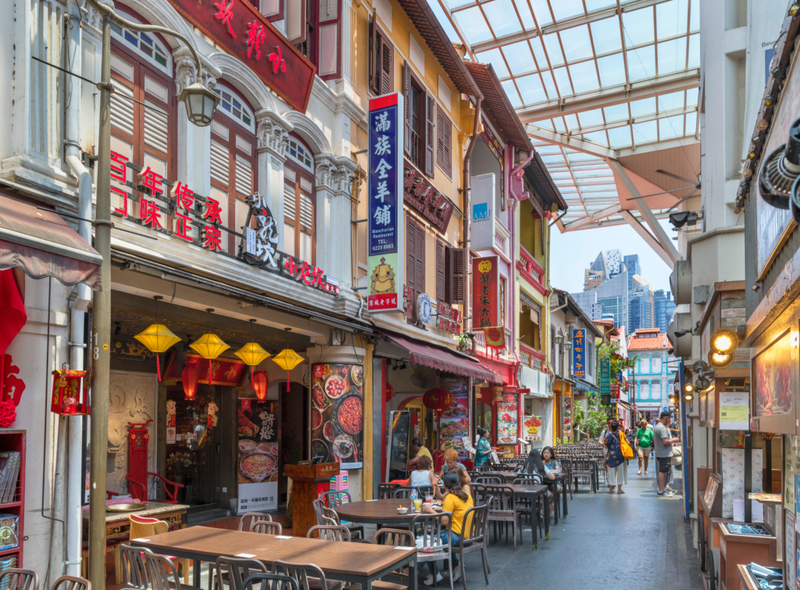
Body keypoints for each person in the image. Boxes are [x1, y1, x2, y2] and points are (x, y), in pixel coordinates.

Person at [421, 472, 473, 585]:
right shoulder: (466, 495)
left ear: (444, 486)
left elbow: (444, 521)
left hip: (456, 537)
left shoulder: (450, 497)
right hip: (468, 535)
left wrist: (431, 511)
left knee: (426, 540)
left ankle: (434, 574)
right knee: (432, 534)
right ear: (459, 483)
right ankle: (456, 565)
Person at [655, 411, 680, 496]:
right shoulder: (662, 428)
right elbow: (665, 442)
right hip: (664, 453)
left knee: (663, 470)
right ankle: (661, 490)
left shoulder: (658, 426)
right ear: (666, 418)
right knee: (662, 471)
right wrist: (674, 440)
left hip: (661, 452)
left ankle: (662, 489)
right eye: (669, 419)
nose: (670, 421)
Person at [602, 420, 627, 494]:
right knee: (620, 472)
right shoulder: (621, 434)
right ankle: (619, 489)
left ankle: (610, 488)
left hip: (611, 456)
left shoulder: (608, 436)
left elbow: (606, 445)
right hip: (620, 456)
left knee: (611, 472)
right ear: (618, 427)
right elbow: (626, 442)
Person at [541, 446, 561, 516]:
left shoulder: (554, 461)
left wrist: (547, 471)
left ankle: (550, 505)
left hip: (554, 482)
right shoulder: (541, 461)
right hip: (543, 483)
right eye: (544, 453)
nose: (546, 454)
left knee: (554, 488)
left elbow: (557, 470)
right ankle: (549, 507)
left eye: (548, 453)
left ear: (551, 454)